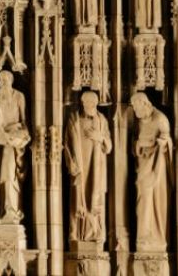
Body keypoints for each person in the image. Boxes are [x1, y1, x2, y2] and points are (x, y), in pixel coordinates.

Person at [64, 90, 112, 244]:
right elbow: (66, 144)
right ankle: (75, 234)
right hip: (80, 167)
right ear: (82, 103)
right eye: (87, 102)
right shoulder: (74, 119)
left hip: (96, 167)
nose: (90, 105)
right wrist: (71, 163)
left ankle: (96, 235)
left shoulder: (102, 120)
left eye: (93, 102)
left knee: (96, 199)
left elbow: (109, 147)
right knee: (77, 199)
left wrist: (101, 138)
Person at [130, 92, 172, 251]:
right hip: (143, 167)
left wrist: (155, 145)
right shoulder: (139, 122)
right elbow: (133, 143)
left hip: (156, 169)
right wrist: (138, 146)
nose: (135, 111)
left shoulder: (160, 119)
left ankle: (154, 237)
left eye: (136, 107)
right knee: (142, 200)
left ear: (145, 104)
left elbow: (166, 143)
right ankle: (143, 235)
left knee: (154, 199)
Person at [0, 71, 31, 222]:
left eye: (6, 79)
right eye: (0, 80)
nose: (3, 82)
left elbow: (24, 121)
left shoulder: (19, 96)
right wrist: (2, 134)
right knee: (4, 175)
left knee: (12, 176)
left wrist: (21, 136)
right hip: (1, 142)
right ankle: (6, 210)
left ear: (11, 80)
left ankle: (13, 210)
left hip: (16, 140)